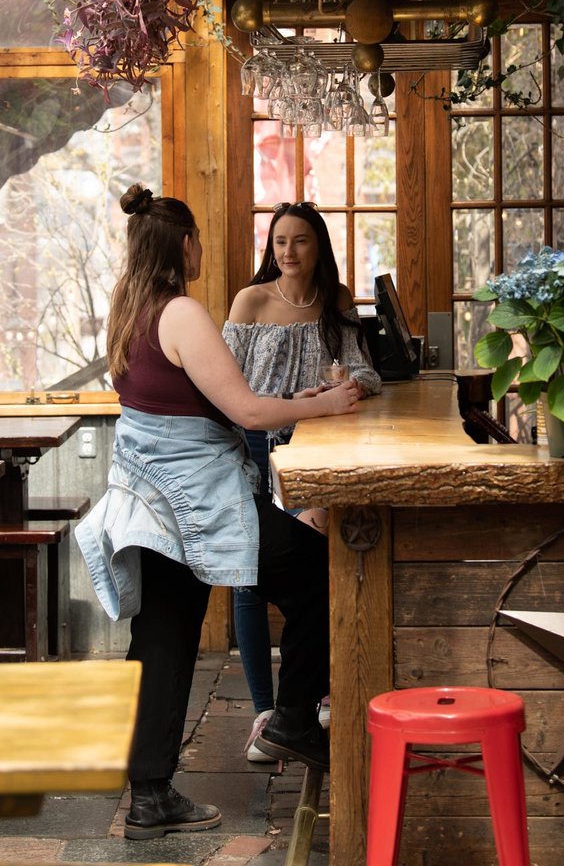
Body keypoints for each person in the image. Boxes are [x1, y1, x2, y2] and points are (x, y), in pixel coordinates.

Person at [75, 187, 361, 842]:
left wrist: (299, 397)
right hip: (191, 501)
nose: (202, 249)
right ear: (183, 245)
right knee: (318, 569)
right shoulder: (180, 312)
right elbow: (247, 413)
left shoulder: (132, 309)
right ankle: (291, 719)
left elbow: (208, 400)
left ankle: (149, 795)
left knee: (160, 641)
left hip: (150, 500)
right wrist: (328, 403)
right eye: (198, 238)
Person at [222, 200, 382, 760]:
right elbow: (225, 384)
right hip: (258, 443)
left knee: (315, 561)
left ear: (319, 248)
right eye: (279, 242)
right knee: (250, 576)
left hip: (315, 444)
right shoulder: (251, 299)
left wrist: (343, 387)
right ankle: (265, 709)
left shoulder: (334, 300)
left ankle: (302, 701)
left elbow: (363, 367)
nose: (288, 253)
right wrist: (288, 402)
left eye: (300, 242)